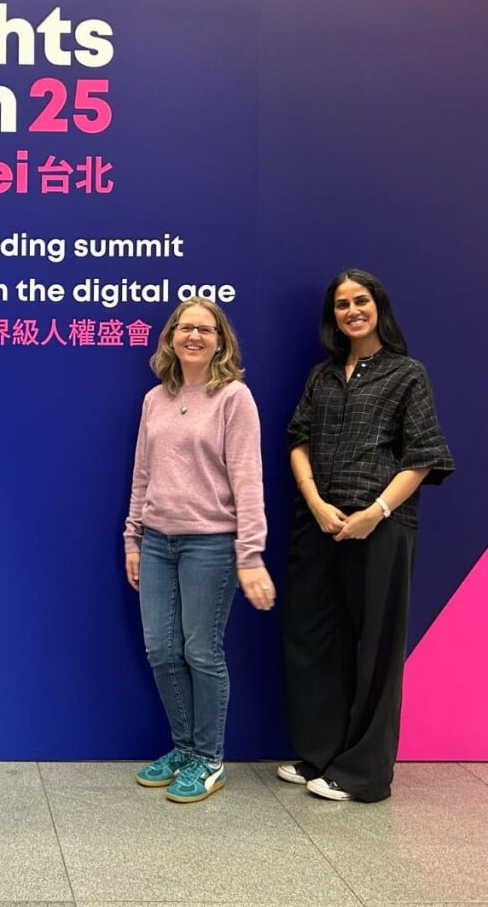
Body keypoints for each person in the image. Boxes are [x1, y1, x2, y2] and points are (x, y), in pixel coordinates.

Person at [279, 269, 453, 803]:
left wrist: (375, 511)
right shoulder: (322, 377)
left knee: (375, 644)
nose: (352, 311)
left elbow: (422, 456)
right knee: (312, 638)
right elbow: (297, 440)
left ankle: (363, 774)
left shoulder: (407, 374)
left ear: (378, 306)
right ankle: (320, 754)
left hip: (381, 525)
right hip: (321, 522)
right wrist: (314, 500)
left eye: (360, 301)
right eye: (341, 304)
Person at [124, 298, 274, 804]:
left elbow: (248, 480)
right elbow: (142, 475)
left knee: (201, 651)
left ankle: (210, 760)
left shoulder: (234, 398)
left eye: (205, 329)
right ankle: (184, 749)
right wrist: (134, 538)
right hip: (158, 542)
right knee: (161, 650)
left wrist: (250, 554)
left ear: (219, 341)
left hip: (211, 543)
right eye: (185, 328)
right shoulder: (154, 400)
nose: (194, 336)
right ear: (170, 338)